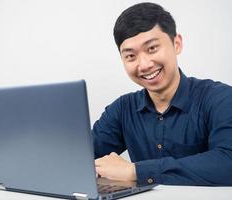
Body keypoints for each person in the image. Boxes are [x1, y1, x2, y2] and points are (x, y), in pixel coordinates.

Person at [93, 2, 232, 186]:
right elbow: (80, 159)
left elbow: (227, 162)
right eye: (130, 56)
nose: (144, 65)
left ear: (177, 44)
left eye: (152, 48)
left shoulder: (220, 99)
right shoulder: (122, 109)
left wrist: (136, 171)